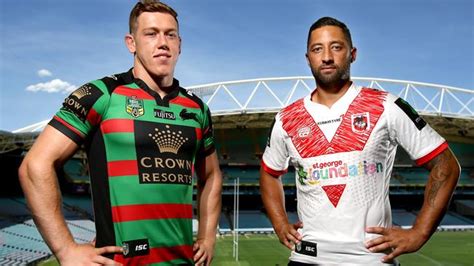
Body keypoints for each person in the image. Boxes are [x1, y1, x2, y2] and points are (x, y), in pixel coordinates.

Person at [18, 1, 222, 265]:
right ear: (131, 43)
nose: (162, 42)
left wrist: (207, 237)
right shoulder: (101, 94)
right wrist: (65, 249)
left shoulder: (197, 109)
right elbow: (35, 165)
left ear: (179, 44)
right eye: (151, 33)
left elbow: (212, 174)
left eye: (170, 34)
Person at [260, 16, 460, 265]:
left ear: (352, 54)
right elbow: (269, 173)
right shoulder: (286, 118)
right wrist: (280, 223)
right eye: (317, 49)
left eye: (336, 47)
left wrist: (419, 232)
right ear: (308, 58)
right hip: (306, 258)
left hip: (370, 259)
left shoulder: (385, 105)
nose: (327, 57)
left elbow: (446, 165)